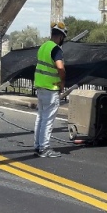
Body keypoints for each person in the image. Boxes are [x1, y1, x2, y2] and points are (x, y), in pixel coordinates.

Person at [33, 21, 68, 158]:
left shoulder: (43, 47)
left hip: (40, 87)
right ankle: (44, 148)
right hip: (51, 88)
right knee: (47, 120)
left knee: (40, 118)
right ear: (61, 36)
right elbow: (60, 67)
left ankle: (38, 146)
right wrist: (62, 82)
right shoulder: (56, 49)